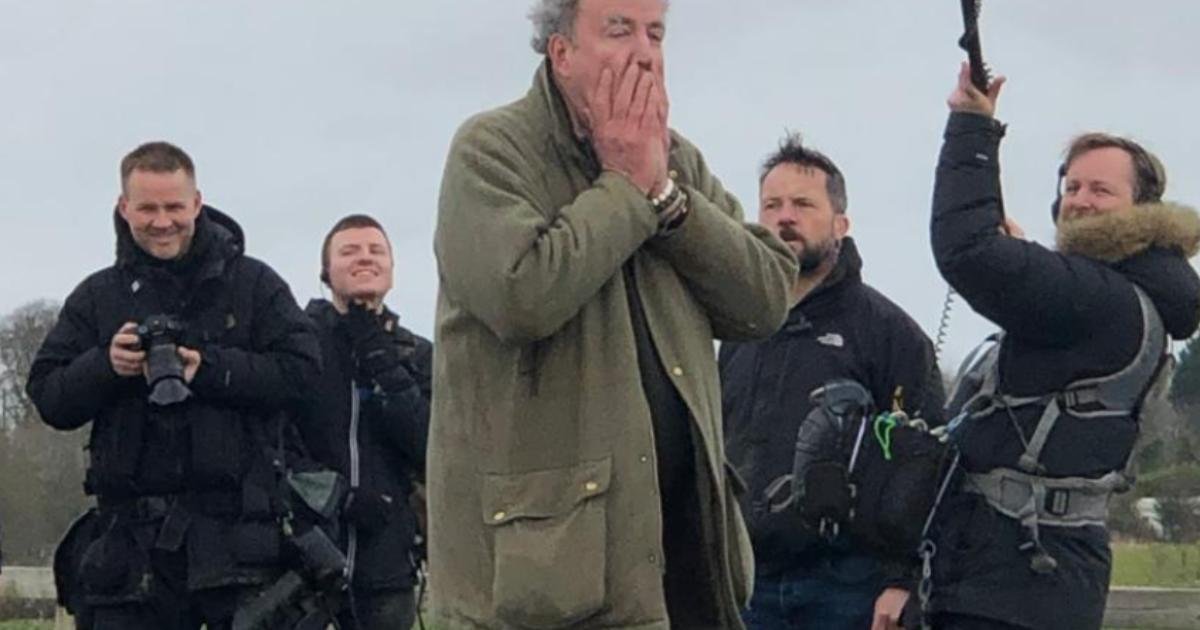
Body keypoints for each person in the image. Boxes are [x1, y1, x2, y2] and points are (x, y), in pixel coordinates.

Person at [427, 0, 799, 627]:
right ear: (561, 52)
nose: (645, 54)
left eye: (656, 33)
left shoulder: (677, 161)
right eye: (619, 30)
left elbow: (766, 299)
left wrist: (668, 199)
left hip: (686, 562)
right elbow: (521, 297)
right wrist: (626, 188)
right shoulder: (490, 151)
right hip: (548, 586)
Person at [926, 64, 1200, 630]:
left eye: (1101, 190)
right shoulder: (1133, 297)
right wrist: (1025, 263)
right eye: (1071, 187)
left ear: (1142, 210)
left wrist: (972, 127)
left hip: (1013, 584)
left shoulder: (1101, 299)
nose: (1079, 200)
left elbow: (966, 250)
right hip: (1037, 576)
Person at [26, 141, 321, 630]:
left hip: (242, 547)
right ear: (124, 208)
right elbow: (49, 396)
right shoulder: (98, 296)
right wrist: (105, 366)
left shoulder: (254, 284)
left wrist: (209, 369)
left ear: (197, 203)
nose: (162, 222)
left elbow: (304, 373)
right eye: (147, 209)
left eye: (174, 207)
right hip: (132, 554)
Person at [720, 134, 944, 630]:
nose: (785, 218)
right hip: (745, 582)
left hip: (849, 588)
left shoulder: (890, 333)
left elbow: (926, 462)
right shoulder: (739, 329)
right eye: (772, 205)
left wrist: (903, 579)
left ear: (840, 223)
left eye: (803, 204)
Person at [297, 214, 432, 630]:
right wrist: (337, 496)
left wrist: (382, 360)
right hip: (305, 561)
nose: (365, 258)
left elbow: (432, 446)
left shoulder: (418, 354)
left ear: (392, 268)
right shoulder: (297, 344)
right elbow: (274, 442)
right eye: (349, 251)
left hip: (389, 564)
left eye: (376, 251)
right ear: (326, 271)